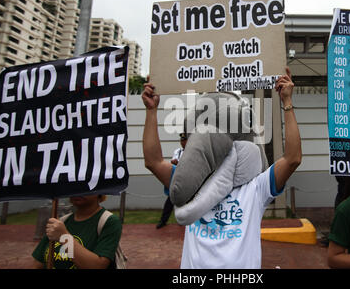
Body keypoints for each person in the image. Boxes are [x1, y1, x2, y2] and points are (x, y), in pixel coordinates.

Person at [142, 68, 302, 268]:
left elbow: (292, 159)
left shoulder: (255, 188)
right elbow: (153, 162)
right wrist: (151, 111)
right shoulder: (191, 183)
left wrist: (287, 103)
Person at [32, 195, 122, 269]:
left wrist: (64, 237)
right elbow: (38, 262)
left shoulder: (108, 221)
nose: (78, 191)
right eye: (73, 186)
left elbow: (97, 266)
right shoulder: (62, 221)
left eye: (85, 185)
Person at [156, 133, 188, 229]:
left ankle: (185, 220)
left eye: (184, 140)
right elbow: (173, 163)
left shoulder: (192, 151)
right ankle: (163, 220)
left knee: (187, 201)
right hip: (176, 178)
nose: (182, 142)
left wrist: (178, 163)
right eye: (181, 140)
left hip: (187, 179)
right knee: (170, 199)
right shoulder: (177, 151)